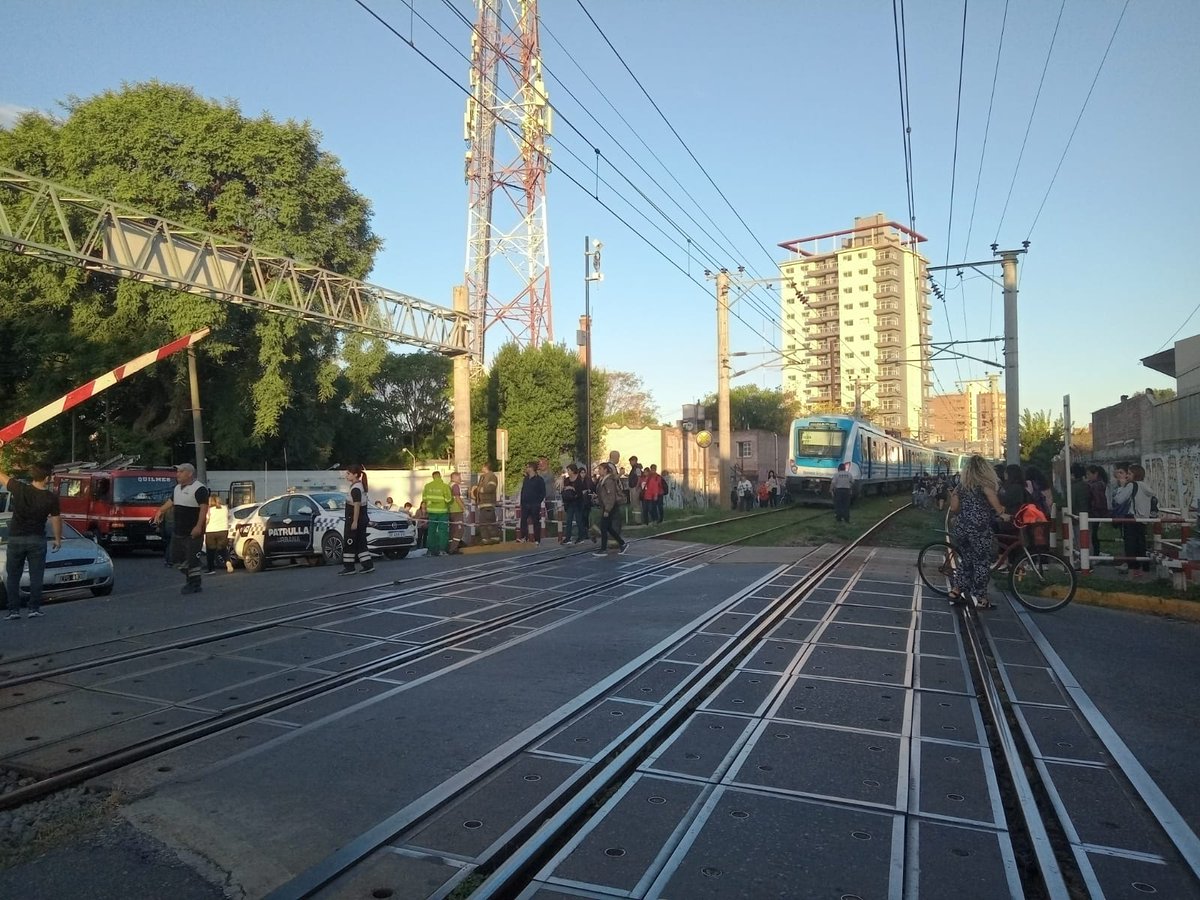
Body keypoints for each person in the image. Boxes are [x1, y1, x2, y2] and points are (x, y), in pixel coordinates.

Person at [0, 459, 62, 619]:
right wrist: (57, 539)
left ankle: (13, 610)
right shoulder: (51, 498)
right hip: (37, 539)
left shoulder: (19, 489)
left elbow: (2, 476)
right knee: (36, 575)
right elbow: (56, 519)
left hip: (15, 539)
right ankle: (34, 608)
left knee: (13, 575)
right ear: (47, 478)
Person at [948, 455, 1010, 609]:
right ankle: (981, 598)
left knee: (967, 560)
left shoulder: (960, 487)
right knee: (982, 561)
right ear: (984, 469)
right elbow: (993, 501)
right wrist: (1001, 512)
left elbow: (954, 508)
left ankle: (955, 591)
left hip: (962, 528)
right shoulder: (984, 485)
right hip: (979, 529)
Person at [154, 463, 210, 595]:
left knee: (191, 559)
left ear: (189, 473)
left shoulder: (199, 489)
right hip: (178, 531)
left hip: (192, 532)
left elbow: (203, 509)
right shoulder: (177, 488)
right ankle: (192, 575)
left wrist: (198, 526)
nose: (177, 474)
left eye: (180, 471)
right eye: (177, 472)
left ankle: (194, 583)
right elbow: (171, 502)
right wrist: (160, 511)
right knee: (176, 557)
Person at [338, 464, 374, 575]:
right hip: (361, 518)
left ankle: (349, 567)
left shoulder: (356, 488)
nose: (346, 475)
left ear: (355, 475)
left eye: (348, 473)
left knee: (350, 542)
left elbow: (357, 505)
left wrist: (354, 521)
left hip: (354, 519)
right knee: (360, 542)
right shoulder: (359, 486)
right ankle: (367, 565)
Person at [592, 463, 629, 556]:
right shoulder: (602, 480)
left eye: (600, 469)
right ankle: (622, 543)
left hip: (610, 506)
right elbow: (603, 494)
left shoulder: (608, 481)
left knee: (604, 527)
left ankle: (603, 549)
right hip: (607, 506)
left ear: (605, 470)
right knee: (608, 527)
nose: (599, 471)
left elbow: (611, 496)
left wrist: (607, 510)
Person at [422, 471, 453, 556]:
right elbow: (448, 500)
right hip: (442, 512)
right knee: (442, 531)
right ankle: (442, 550)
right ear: (440, 476)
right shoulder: (445, 486)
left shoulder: (427, 486)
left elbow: (424, 499)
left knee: (431, 531)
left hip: (431, 512)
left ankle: (430, 550)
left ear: (433, 477)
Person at [518, 462, 546, 544]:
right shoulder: (526, 479)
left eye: (528, 467)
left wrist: (538, 501)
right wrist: (521, 501)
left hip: (534, 504)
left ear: (532, 468)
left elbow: (543, 492)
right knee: (523, 521)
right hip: (525, 504)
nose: (526, 469)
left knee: (535, 521)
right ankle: (523, 537)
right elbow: (523, 490)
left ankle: (537, 539)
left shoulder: (539, 480)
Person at [1084, 465, 1109, 556]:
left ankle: (1095, 553)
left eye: (1089, 474)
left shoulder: (1095, 486)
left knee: (1093, 535)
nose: (1087, 477)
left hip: (1094, 513)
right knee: (1093, 534)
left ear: (1096, 474)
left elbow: (1097, 501)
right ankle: (1096, 553)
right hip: (1096, 512)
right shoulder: (1099, 484)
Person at [474, 462, 500, 544]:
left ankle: (491, 539)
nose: (481, 468)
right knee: (485, 522)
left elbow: (491, 488)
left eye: (482, 466)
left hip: (488, 502)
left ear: (486, 467)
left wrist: (479, 490)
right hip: (482, 503)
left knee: (487, 521)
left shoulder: (492, 477)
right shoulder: (483, 477)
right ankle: (488, 538)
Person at [560, 464, 586, 544]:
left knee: (579, 520)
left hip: (577, 502)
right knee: (569, 520)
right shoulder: (567, 480)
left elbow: (580, 492)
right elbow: (562, 489)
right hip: (569, 502)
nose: (568, 472)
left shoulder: (578, 480)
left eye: (569, 470)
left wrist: (572, 488)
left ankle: (581, 536)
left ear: (573, 470)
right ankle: (568, 537)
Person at [204, 493, 229, 574]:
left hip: (211, 531)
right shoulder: (225, 508)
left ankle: (211, 569)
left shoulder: (209, 510)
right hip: (223, 530)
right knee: (223, 549)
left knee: (210, 551)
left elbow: (207, 520)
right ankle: (227, 561)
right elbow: (228, 517)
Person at [447, 471, 466, 553]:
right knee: (459, 530)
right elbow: (457, 498)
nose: (460, 479)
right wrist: (464, 508)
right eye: (459, 477)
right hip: (457, 510)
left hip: (449, 510)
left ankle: (450, 547)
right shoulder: (455, 486)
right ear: (454, 478)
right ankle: (453, 548)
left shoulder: (448, 485)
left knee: (452, 530)